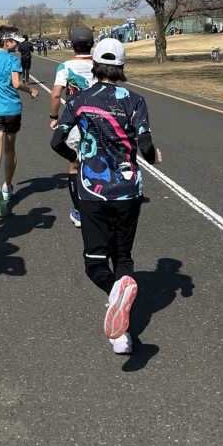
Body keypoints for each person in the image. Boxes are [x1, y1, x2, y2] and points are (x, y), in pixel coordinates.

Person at [51, 38, 158, 356]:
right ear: (122, 67)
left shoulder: (79, 100)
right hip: (127, 189)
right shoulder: (135, 101)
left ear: (95, 65)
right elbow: (146, 146)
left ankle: (117, 310)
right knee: (122, 256)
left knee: (95, 261)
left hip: (91, 188)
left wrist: (80, 156)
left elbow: (57, 141)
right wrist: (150, 155)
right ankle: (120, 323)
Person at [0, 25, 39, 216]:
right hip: (12, 109)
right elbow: (16, 83)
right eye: (14, 42)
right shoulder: (13, 60)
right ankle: (7, 187)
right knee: (10, 150)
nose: (16, 45)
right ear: (6, 42)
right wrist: (31, 90)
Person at [49, 25, 97, 227]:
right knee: (97, 162)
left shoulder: (66, 66)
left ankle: (78, 210)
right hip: (99, 120)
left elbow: (56, 94)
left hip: (76, 121)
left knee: (74, 164)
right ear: (92, 44)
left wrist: (54, 116)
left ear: (70, 44)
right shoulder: (99, 64)